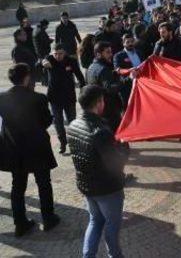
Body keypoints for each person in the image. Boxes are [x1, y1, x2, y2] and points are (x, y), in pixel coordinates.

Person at [68, 85, 128, 258]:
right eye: (103, 100)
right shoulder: (100, 131)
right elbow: (117, 163)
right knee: (112, 225)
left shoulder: (73, 124)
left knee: (95, 221)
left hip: (87, 185)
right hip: (107, 188)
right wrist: (124, 145)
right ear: (99, 102)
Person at [0, 63, 60, 237]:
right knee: (44, 183)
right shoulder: (38, 98)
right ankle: (48, 218)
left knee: (17, 187)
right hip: (37, 148)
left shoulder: (2, 98)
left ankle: (20, 224)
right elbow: (47, 121)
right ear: (26, 77)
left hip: (14, 149)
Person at [42, 44, 86, 153]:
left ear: (64, 53)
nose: (58, 56)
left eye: (60, 53)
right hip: (54, 97)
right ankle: (62, 142)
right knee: (58, 122)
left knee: (72, 121)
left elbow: (79, 76)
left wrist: (83, 88)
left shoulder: (71, 61)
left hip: (69, 96)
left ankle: (74, 143)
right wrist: (43, 62)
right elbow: (40, 63)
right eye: (55, 54)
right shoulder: (49, 59)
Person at [86, 42, 124, 133]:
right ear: (98, 54)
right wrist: (126, 81)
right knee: (116, 135)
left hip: (97, 108)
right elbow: (110, 88)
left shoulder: (90, 67)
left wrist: (114, 75)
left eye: (111, 52)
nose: (111, 55)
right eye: (107, 52)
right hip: (109, 109)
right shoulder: (103, 69)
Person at [113, 34, 142, 105]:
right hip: (128, 86)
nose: (130, 44)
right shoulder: (118, 56)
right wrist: (129, 70)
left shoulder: (139, 52)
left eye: (132, 41)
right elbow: (118, 70)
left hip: (140, 84)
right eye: (127, 42)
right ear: (123, 44)